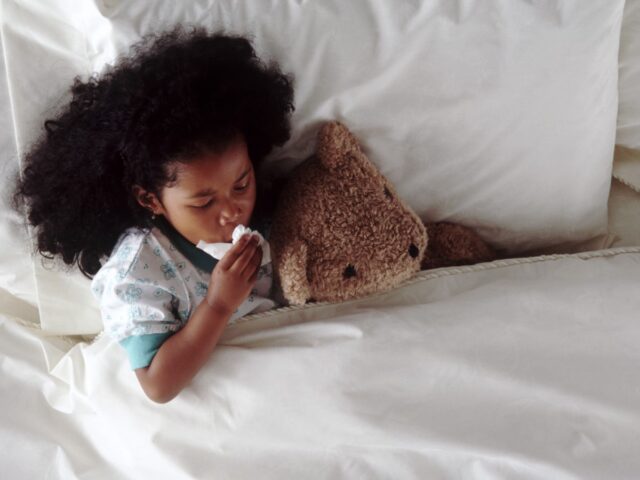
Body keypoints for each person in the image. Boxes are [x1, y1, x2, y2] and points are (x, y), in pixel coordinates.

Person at [13, 26, 295, 403]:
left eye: (242, 184)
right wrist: (218, 306)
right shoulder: (140, 270)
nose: (232, 211)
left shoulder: (264, 212)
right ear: (151, 200)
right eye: (204, 203)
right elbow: (157, 385)